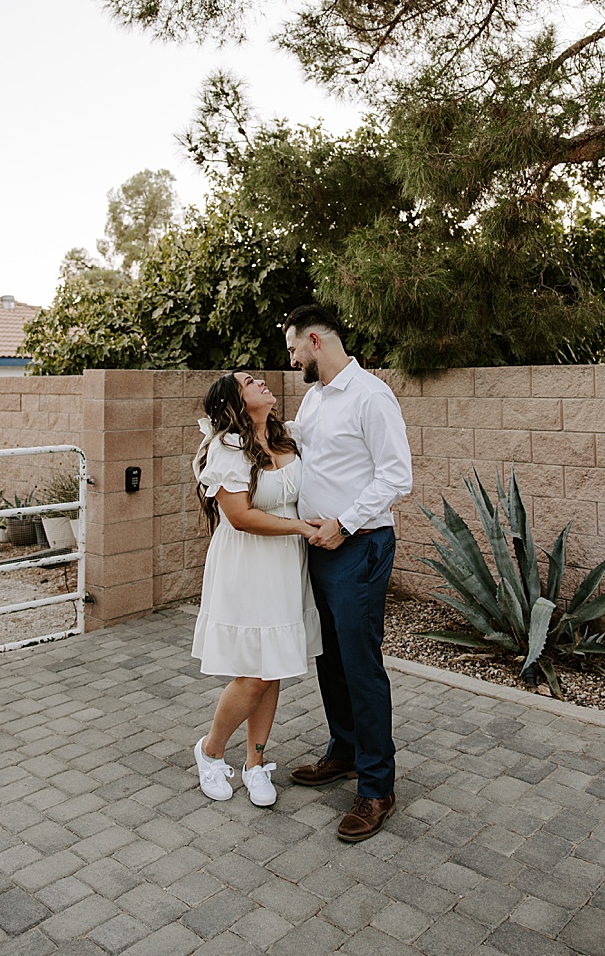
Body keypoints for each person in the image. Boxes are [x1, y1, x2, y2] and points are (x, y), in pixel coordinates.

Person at [283, 305, 412, 842]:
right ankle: (344, 751)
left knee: (360, 663)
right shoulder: (313, 399)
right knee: (330, 656)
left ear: (316, 340)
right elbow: (311, 453)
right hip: (320, 545)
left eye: (294, 351)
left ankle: (378, 786)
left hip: (358, 545)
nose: (292, 362)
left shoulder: (371, 396)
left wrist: (344, 522)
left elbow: (396, 475)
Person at [191, 369, 322, 807]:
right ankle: (210, 751)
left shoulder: (287, 438)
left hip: (286, 563)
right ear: (234, 401)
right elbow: (240, 516)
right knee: (254, 672)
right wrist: (301, 527)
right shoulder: (227, 449)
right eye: (249, 381)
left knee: (275, 663)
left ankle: (255, 761)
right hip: (249, 564)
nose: (261, 382)